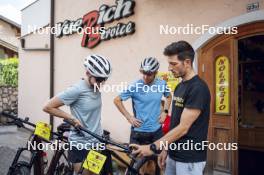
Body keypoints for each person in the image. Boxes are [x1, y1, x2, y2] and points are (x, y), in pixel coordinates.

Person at [130, 41, 211, 175]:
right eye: (169, 63)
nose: (169, 68)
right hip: (173, 154)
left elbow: (183, 128)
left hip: (189, 158)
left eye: (173, 64)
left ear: (187, 62)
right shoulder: (180, 86)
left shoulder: (198, 88)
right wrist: (166, 149)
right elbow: (175, 123)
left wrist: (153, 147)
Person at [43, 54, 112, 175]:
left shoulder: (96, 87)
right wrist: (71, 118)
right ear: (88, 72)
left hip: (96, 142)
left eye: (104, 79)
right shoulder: (76, 89)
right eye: (99, 79)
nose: (102, 83)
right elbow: (47, 107)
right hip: (80, 145)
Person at [113, 57, 172, 173]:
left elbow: (169, 96)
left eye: (149, 74)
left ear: (155, 73)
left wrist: (165, 112)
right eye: (143, 73)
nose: (145, 76)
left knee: (159, 163)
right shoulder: (135, 85)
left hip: (156, 132)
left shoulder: (161, 83)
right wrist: (129, 117)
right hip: (138, 133)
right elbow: (117, 100)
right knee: (136, 166)